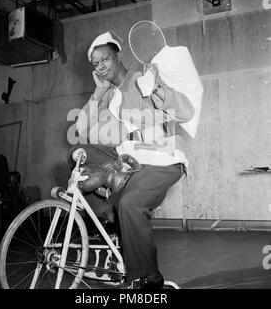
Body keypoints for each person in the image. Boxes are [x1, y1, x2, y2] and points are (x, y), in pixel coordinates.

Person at [68, 31, 195, 289]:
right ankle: (108, 220)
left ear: (118, 54)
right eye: (95, 64)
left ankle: (150, 276)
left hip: (162, 160)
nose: (100, 67)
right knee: (79, 152)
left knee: (129, 204)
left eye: (105, 59)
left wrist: (159, 90)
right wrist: (98, 91)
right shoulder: (108, 94)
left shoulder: (142, 78)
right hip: (129, 160)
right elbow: (80, 130)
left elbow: (186, 112)